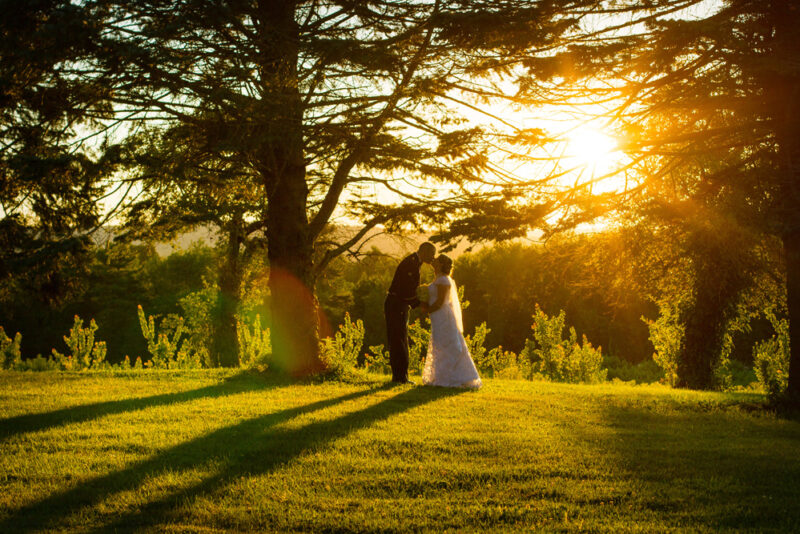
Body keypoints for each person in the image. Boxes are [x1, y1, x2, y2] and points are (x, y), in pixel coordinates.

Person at [421, 254, 481, 389]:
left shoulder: (443, 280)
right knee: (439, 343)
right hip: (437, 316)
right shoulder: (438, 279)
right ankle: (440, 376)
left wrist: (427, 309)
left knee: (447, 343)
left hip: (443, 316)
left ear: (441, 264)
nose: (433, 260)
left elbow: (440, 302)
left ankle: (452, 378)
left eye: (436, 260)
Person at [384, 242, 436, 384]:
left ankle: (401, 376)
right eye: (432, 254)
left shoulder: (415, 263)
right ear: (424, 252)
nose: (433, 258)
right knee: (398, 340)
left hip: (399, 305)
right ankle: (400, 377)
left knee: (400, 339)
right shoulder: (411, 264)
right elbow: (406, 291)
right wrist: (421, 305)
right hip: (396, 305)